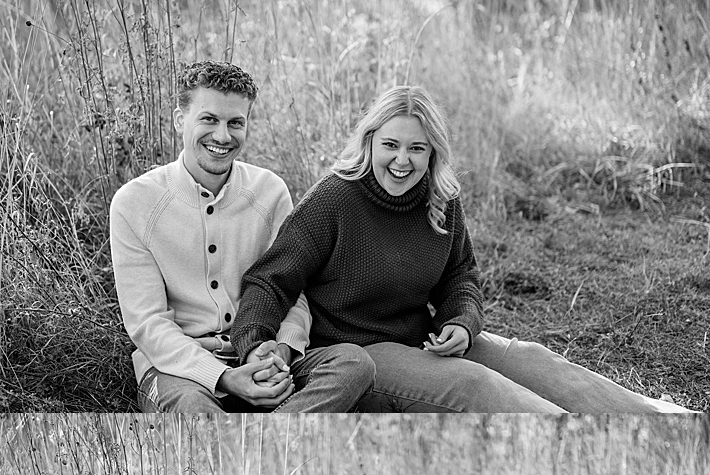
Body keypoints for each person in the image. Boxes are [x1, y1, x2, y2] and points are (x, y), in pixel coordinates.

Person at [229, 84, 693, 414]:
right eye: (390, 145)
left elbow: (461, 276)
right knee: (475, 385)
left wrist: (461, 323)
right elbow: (270, 279)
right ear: (369, 142)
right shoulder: (335, 199)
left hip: (426, 336)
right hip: (360, 348)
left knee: (528, 358)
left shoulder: (441, 198)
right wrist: (254, 345)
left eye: (418, 148)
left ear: (434, 153)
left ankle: (666, 420)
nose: (402, 160)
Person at [109, 61, 374, 413]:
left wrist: (281, 351)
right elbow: (148, 324)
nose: (222, 136)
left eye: (236, 123)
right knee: (194, 411)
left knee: (353, 364)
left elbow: (293, 292)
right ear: (179, 121)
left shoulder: (270, 192)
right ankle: (268, 445)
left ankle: (272, 437)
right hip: (178, 369)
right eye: (209, 120)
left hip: (262, 353)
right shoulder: (134, 203)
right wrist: (223, 377)